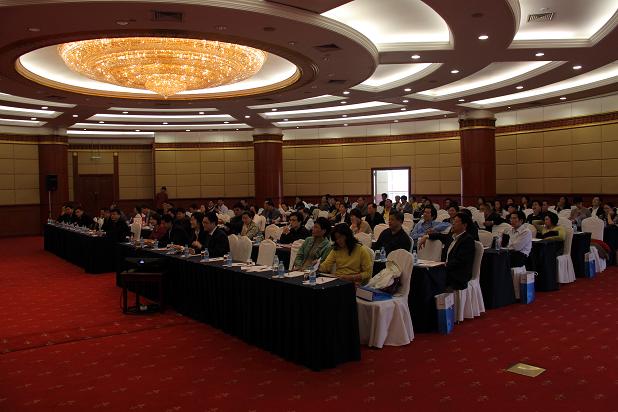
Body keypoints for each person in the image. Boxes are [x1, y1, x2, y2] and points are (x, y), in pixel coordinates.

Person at [420, 212, 476, 291]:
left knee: (428, 277)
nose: (453, 224)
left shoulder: (467, 240)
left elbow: (460, 261)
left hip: (457, 274)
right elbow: (440, 236)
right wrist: (427, 236)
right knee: (423, 273)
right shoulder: (452, 236)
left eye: (456, 222)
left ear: (464, 225)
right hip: (446, 270)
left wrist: (444, 265)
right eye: (453, 221)